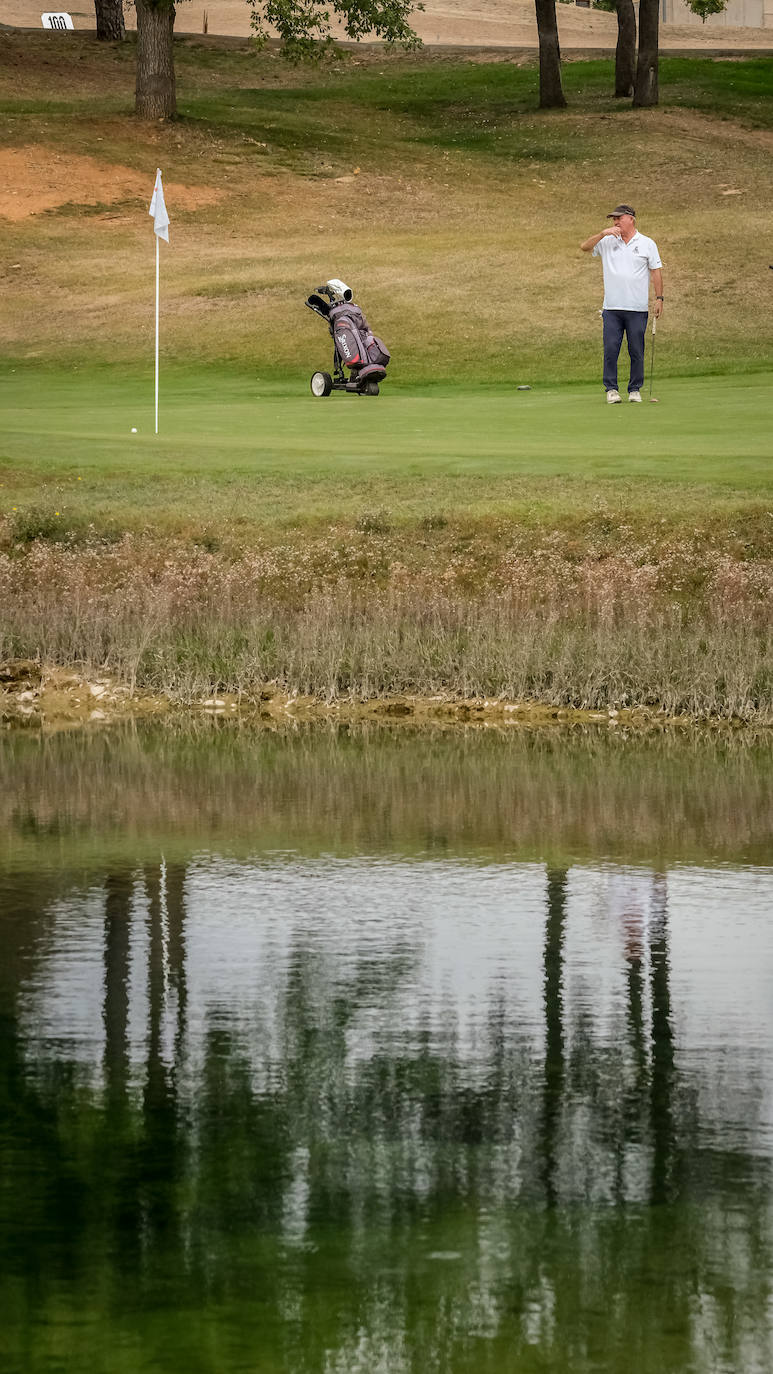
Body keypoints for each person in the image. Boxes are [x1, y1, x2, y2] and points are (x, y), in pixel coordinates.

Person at [580, 204, 664, 404]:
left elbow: (656, 272)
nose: (615, 222)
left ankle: (635, 389)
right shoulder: (607, 241)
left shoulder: (646, 243)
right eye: (613, 219)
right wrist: (602, 233)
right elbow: (584, 247)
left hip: (637, 308)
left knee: (636, 350)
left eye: (619, 218)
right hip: (612, 308)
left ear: (631, 219)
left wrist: (659, 298)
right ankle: (611, 389)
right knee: (611, 348)